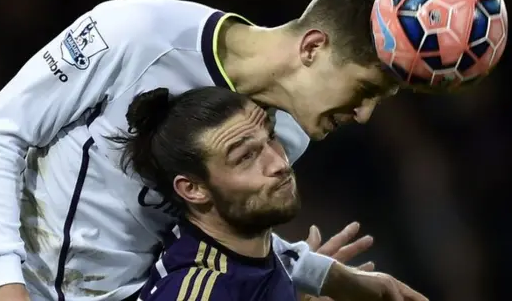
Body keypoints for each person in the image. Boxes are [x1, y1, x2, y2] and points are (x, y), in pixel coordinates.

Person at [0, 0, 411, 301]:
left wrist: (320, 275)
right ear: (313, 47)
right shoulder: (136, 32)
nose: (365, 115)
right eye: (364, 90)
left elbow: (210, 241)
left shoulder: (285, 134)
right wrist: (5, 285)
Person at [117, 86, 425, 301]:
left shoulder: (256, 260)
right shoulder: (201, 290)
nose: (278, 163)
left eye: (271, 137)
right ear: (193, 189)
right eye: (245, 157)